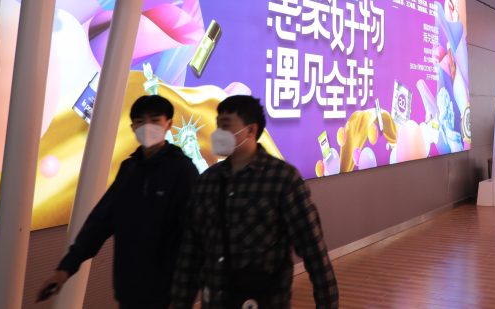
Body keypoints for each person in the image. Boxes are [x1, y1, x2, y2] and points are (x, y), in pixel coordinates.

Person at [171, 95, 338, 309]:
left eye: (226, 126)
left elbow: (314, 251)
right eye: (218, 125)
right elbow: (190, 254)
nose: (218, 133)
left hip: (263, 301)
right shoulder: (207, 182)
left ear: (251, 130)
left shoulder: (282, 178)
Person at [38, 95, 199, 309]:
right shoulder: (129, 170)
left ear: (168, 124)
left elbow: (194, 237)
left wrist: (182, 298)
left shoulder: (183, 171)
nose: (147, 127)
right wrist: (65, 269)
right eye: (140, 121)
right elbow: (99, 222)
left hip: (167, 295)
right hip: (128, 289)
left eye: (155, 120)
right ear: (133, 127)